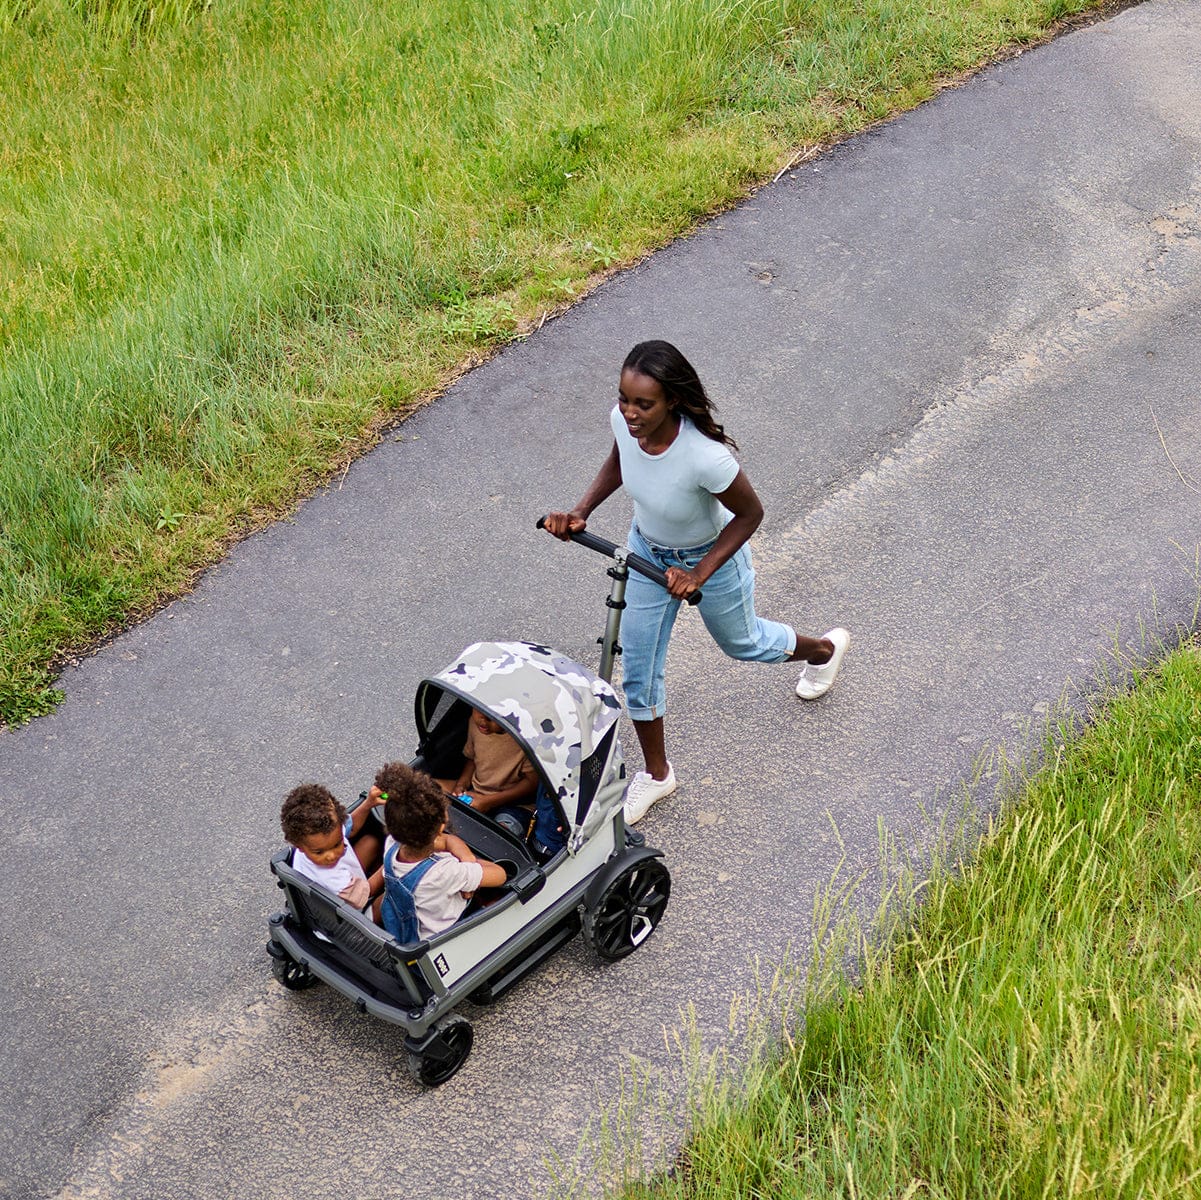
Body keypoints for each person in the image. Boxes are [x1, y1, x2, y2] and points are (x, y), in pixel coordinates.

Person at [543, 339, 849, 825]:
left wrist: (698, 572)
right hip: (646, 550)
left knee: (744, 643)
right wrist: (581, 510)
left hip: (710, 558)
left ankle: (823, 651)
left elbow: (750, 514)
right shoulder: (624, 422)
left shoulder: (705, 457)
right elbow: (621, 460)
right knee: (638, 670)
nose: (630, 412)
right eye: (624, 398)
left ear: (673, 401)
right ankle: (658, 775)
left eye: (644, 404)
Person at [376, 761, 508, 942]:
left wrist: (467, 860)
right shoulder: (445, 872)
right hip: (441, 934)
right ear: (441, 827)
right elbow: (500, 875)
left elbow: (446, 841)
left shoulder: (392, 844)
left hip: (403, 922)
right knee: (497, 899)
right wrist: (469, 866)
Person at [436, 709, 539, 839]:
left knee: (501, 834)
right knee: (426, 786)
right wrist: (462, 783)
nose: (483, 721)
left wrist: (489, 802)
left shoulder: (524, 741)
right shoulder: (475, 724)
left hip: (514, 804)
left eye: (491, 717)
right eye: (479, 712)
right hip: (476, 789)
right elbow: (472, 758)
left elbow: (531, 783)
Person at [280, 783, 384, 910]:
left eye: (337, 844)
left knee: (371, 842)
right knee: (389, 900)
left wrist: (368, 804)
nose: (331, 855)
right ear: (299, 847)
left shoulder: (321, 835)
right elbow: (367, 893)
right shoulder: (332, 879)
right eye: (319, 852)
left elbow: (351, 828)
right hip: (353, 912)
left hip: (348, 880)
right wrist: (391, 864)